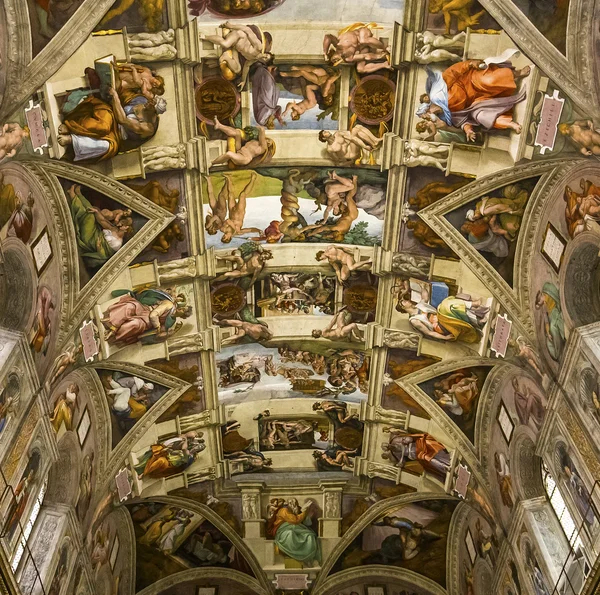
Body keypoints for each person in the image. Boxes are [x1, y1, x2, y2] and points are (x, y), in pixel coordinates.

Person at [418, 57, 530, 142]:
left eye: (427, 113)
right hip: (475, 104)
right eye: (427, 117)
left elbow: (454, 71)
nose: (430, 116)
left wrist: (470, 64)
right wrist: (468, 131)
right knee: (482, 117)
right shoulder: (447, 115)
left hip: (472, 81)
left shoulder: (439, 91)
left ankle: (517, 74)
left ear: (429, 107)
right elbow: (463, 122)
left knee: (489, 80)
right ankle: (511, 124)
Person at [58, 84, 162, 162]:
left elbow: (123, 120)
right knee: (103, 125)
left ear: (155, 112)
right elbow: (122, 91)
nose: (150, 101)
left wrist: (115, 97)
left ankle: (72, 139)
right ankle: (70, 126)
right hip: (110, 113)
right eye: (152, 100)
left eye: (152, 104)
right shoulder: (141, 100)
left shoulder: (149, 128)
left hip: (116, 136)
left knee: (106, 146)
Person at [67, 184, 133, 270]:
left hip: (90, 241)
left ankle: (72, 195)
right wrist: (97, 212)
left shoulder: (117, 244)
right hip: (95, 232)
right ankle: (78, 194)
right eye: (121, 222)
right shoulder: (114, 229)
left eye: (122, 224)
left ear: (126, 228)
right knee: (92, 210)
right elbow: (102, 221)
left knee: (87, 215)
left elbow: (105, 255)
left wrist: (99, 247)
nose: (119, 224)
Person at [102, 287, 192, 345]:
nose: (181, 309)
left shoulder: (171, 321)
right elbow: (153, 315)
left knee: (135, 324)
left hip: (146, 323)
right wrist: (157, 326)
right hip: (145, 309)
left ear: (182, 315)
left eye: (183, 310)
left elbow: (159, 334)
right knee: (130, 306)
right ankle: (111, 324)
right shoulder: (169, 304)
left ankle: (113, 334)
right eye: (183, 307)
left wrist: (170, 332)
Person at [204, 22, 273, 86]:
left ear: (262, 62)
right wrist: (231, 26)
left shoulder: (253, 59)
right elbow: (247, 30)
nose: (264, 57)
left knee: (237, 69)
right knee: (225, 44)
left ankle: (226, 57)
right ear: (265, 53)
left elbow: (246, 67)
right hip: (238, 36)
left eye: (265, 59)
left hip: (235, 48)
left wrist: (243, 81)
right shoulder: (258, 47)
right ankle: (205, 37)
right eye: (266, 55)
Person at [268, 498, 321, 564]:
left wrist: (307, 514)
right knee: (290, 534)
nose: (293, 504)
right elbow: (294, 520)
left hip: (297, 529)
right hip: (282, 530)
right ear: (287, 504)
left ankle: (308, 558)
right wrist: (304, 512)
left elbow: (307, 523)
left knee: (310, 535)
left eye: (294, 503)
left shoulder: (297, 510)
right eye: (290, 503)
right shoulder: (283, 510)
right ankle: (297, 556)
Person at [382, 427, 451, 477]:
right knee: (425, 458)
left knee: (429, 444)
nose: (390, 447)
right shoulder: (395, 454)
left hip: (417, 445)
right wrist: (400, 464)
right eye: (388, 447)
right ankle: (444, 466)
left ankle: (445, 454)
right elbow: (403, 462)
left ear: (389, 443)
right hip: (415, 454)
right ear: (388, 449)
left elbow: (410, 438)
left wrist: (405, 440)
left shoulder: (395, 440)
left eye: (388, 445)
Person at [135, 432, 205, 479]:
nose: (196, 447)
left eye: (199, 448)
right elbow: (174, 452)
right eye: (198, 446)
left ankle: (144, 473)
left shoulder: (190, 455)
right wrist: (169, 451)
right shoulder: (186, 448)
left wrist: (186, 441)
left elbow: (183, 451)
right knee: (157, 453)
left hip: (170, 465)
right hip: (168, 456)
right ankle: (141, 467)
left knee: (161, 461)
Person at [323, 24, 391, 73]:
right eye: (335, 62)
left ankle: (384, 47)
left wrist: (325, 53)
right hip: (363, 48)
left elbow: (328, 37)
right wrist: (377, 56)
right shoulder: (348, 58)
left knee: (363, 40)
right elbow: (365, 56)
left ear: (332, 53)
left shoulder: (338, 43)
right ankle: (384, 65)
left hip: (362, 33)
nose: (336, 60)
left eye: (333, 59)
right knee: (360, 69)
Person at [218, 172, 262, 242]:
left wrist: (234, 229)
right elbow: (250, 230)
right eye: (224, 238)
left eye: (222, 237)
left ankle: (229, 178)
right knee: (242, 195)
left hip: (232, 211)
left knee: (230, 195)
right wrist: (259, 230)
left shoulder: (223, 229)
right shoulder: (239, 233)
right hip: (239, 212)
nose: (223, 236)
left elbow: (228, 221)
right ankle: (253, 179)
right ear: (229, 238)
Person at [535, 282, 565, 362]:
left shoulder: (547, 290)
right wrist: (548, 333)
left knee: (553, 327)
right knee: (549, 341)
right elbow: (546, 321)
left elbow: (557, 299)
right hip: (551, 318)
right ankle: (558, 355)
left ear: (541, 296)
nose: (540, 303)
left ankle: (559, 350)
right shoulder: (544, 307)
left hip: (555, 312)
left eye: (539, 301)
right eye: (539, 304)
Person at [30, 285, 54, 354]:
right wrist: (44, 319)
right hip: (40, 308)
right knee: (41, 327)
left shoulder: (47, 296)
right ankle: (35, 343)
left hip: (41, 307)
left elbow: (46, 313)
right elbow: (45, 313)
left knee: (43, 328)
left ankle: (38, 344)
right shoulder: (46, 297)